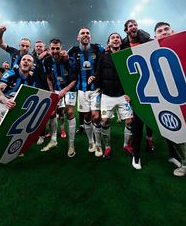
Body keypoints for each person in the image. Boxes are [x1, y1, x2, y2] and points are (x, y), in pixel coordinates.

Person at [0, 54, 34, 177]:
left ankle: (10, 149)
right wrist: (6, 101)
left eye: (29, 60)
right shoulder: (11, 74)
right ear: (20, 62)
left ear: (32, 65)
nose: (26, 62)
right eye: (24, 60)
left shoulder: (32, 79)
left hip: (11, 105)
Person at [154, 21, 186, 176]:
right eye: (160, 31)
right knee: (176, 129)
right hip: (170, 97)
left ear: (173, 31)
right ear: (155, 36)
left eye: (166, 29)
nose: (163, 32)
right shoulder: (151, 53)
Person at [95, 32, 133, 159]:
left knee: (129, 121)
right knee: (104, 120)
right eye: (113, 38)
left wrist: (130, 92)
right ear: (109, 43)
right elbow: (99, 73)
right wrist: (97, 84)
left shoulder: (126, 55)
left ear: (121, 42)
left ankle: (126, 144)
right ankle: (107, 147)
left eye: (117, 37)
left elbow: (131, 75)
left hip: (123, 95)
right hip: (107, 96)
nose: (115, 39)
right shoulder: (103, 57)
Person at [68, 27, 105, 157]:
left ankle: (99, 144)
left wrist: (96, 75)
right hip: (81, 90)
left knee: (96, 116)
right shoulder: (73, 51)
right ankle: (91, 141)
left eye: (87, 33)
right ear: (78, 38)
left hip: (96, 89)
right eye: (82, 33)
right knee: (87, 117)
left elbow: (105, 62)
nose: (85, 35)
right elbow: (65, 62)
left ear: (91, 37)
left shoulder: (98, 48)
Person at [122, 19, 154, 170]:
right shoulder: (123, 45)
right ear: (126, 30)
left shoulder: (147, 40)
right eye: (130, 26)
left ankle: (149, 138)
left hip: (151, 84)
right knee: (137, 120)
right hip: (133, 86)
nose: (134, 27)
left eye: (135, 25)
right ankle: (136, 154)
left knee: (152, 115)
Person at [42, 38, 77, 158]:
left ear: (61, 48)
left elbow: (74, 79)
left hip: (70, 89)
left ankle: (71, 144)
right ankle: (53, 141)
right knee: (51, 113)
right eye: (53, 48)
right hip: (56, 89)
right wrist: (52, 92)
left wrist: (64, 90)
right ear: (49, 48)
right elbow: (48, 77)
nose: (55, 51)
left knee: (70, 112)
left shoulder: (68, 60)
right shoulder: (46, 61)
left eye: (58, 48)